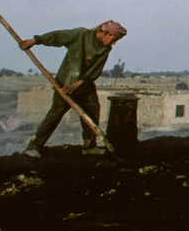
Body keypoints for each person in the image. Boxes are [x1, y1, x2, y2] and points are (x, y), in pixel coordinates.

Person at [21, 20, 127, 157]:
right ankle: (33, 147)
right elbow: (58, 36)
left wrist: (79, 83)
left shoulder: (105, 49)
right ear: (106, 33)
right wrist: (36, 40)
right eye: (114, 39)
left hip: (85, 86)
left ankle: (89, 146)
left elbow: (95, 71)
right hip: (65, 86)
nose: (114, 43)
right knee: (55, 114)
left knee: (92, 111)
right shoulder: (80, 35)